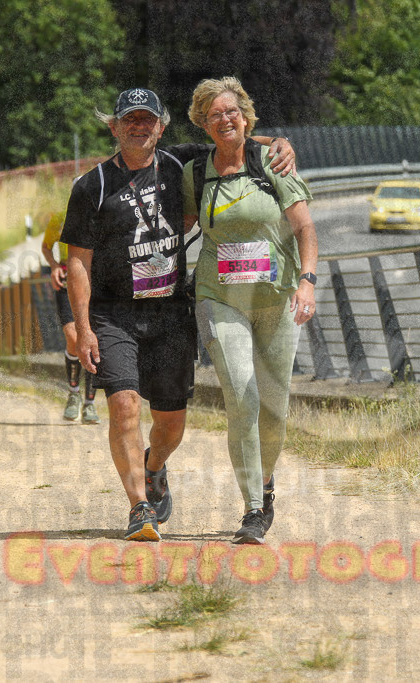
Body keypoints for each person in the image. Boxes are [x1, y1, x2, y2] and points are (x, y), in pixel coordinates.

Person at [62, 87, 295, 541]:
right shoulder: (92, 186)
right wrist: (84, 326)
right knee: (125, 407)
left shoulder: (179, 165)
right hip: (114, 315)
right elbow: (78, 262)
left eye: (147, 119)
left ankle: (154, 465)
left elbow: (231, 136)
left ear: (162, 126)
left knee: (170, 424)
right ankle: (139, 510)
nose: (138, 126)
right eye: (129, 119)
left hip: (170, 312)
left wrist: (279, 143)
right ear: (113, 127)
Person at [184, 77, 318, 545]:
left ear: (245, 116)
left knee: (274, 410)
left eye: (232, 112)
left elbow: (304, 229)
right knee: (241, 394)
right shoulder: (195, 172)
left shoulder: (273, 162)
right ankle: (253, 509)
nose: (225, 120)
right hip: (219, 298)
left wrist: (307, 281)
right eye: (215, 114)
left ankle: (265, 481)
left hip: (276, 299)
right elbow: (176, 223)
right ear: (204, 122)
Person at [41, 212, 98, 423]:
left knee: (94, 341)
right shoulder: (59, 216)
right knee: (74, 338)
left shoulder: (100, 211)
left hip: (95, 281)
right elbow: (46, 246)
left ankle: (90, 404)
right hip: (67, 280)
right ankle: (74, 394)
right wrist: (54, 266)